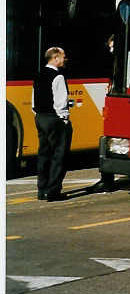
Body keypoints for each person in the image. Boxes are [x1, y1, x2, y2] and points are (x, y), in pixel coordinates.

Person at [32, 47, 72, 201]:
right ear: (55, 58)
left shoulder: (38, 75)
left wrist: (37, 114)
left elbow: (34, 100)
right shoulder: (58, 76)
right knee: (59, 155)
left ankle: (41, 190)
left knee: (43, 154)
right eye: (63, 57)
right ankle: (53, 191)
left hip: (40, 118)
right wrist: (64, 119)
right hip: (54, 119)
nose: (64, 59)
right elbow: (60, 101)